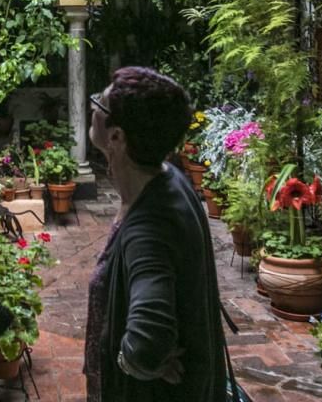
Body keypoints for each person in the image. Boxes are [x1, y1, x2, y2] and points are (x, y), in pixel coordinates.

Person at [84, 66, 227, 402]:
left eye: (99, 106)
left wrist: (127, 361)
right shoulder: (170, 179)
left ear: (117, 137)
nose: (93, 107)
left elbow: (146, 345)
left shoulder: (149, 228)